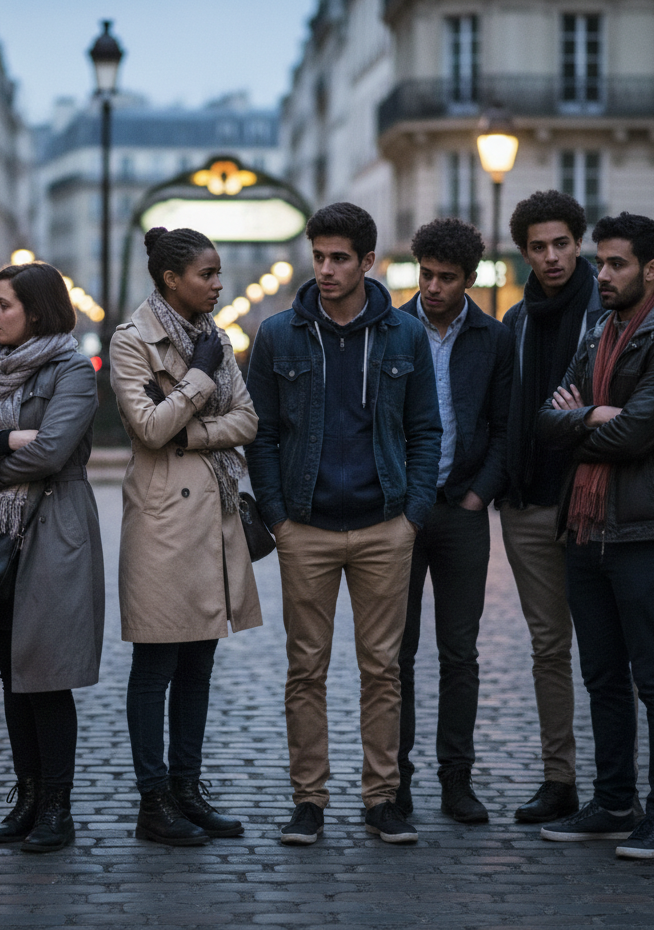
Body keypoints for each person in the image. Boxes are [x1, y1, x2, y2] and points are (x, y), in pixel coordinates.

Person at [246, 201, 442, 846]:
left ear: (368, 262)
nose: (325, 270)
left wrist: (412, 515)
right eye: (319, 257)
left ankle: (382, 798)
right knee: (307, 668)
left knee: (381, 669)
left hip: (386, 524)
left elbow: (424, 432)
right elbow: (264, 436)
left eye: (339, 259)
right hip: (307, 527)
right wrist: (278, 516)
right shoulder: (279, 334)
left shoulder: (405, 336)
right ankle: (310, 800)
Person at [537, 212, 654, 860]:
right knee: (602, 675)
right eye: (599, 262)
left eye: (616, 264)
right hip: (586, 529)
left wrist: (576, 421)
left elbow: (635, 435)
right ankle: (612, 803)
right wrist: (587, 416)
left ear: (651, 269)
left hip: (645, 531)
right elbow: (544, 423)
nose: (600, 274)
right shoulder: (599, 328)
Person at [110, 226, 262, 846]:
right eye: (207, 274)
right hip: (164, 522)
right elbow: (147, 428)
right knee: (156, 665)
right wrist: (200, 381)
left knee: (199, 661)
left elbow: (247, 419)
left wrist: (191, 430)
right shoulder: (132, 341)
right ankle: (154, 801)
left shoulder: (216, 339)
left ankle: (187, 789)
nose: (218, 284)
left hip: (215, 517)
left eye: (219, 272)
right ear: (172, 280)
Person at [0, 262, 104, 853]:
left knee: (47, 673)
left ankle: (57, 811)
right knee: (14, 672)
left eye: (3, 304)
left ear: (35, 312)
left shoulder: (72, 369)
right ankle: (28, 798)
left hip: (54, 526)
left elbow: (53, 452)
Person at [397, 218, 512, 823]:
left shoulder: (492, 338)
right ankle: (397, 781)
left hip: (463, 511)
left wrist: (478, 496)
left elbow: (505, 425)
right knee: (397, 653)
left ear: (469, 279)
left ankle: (456, 781)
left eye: (447, 278)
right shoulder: (390, 328)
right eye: (427, 275)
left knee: (459, 654)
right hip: (403, 514)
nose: (434, 287)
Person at [499, 190, 603, 824]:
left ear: (579, 241)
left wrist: (577, 419)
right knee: (548, 648)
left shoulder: (606, 313)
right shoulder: (515, 320)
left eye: (561, 243)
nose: (551, 257)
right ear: (525, 253)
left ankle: (615, 784)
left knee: (602, 649)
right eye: (538, 247)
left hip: (591, 502)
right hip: (528, 502)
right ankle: (558, 779)